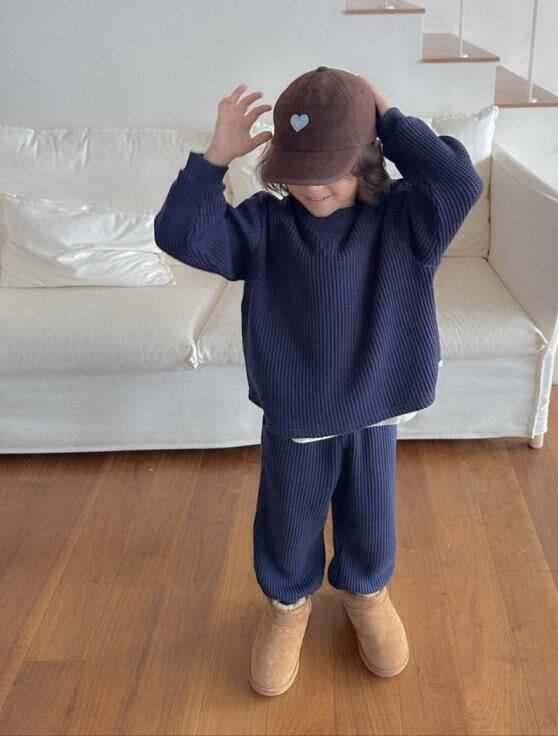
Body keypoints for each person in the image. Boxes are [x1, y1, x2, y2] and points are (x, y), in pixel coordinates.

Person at [154, 66, 484, 696]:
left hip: (376, 404)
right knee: (289, 517)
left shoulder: (407, 218)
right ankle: (287, 607)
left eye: (327, 169)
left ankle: (366, 593)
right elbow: (181, 233)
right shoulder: (265, 224)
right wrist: (214, 158)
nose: (310, 187)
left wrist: (390, 119)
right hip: (298, 413)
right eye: (296, 171)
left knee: (370, 515)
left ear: (366, 158)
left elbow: (459, 181)